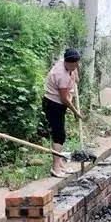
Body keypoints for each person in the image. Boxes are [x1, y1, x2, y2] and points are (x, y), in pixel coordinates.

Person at [42, 48, 82, 178]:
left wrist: (75, 75)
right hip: (53, 104)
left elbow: (76, 76)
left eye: (77, 64)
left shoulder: (69, 65)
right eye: (73, 65)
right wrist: (76, 112)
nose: (76, 66)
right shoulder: (61, 75)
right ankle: (55, 168)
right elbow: (64, 99)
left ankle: (60, 164)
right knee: (59, 135)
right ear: (67, 62)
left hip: (59, 104)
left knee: (60, 134)